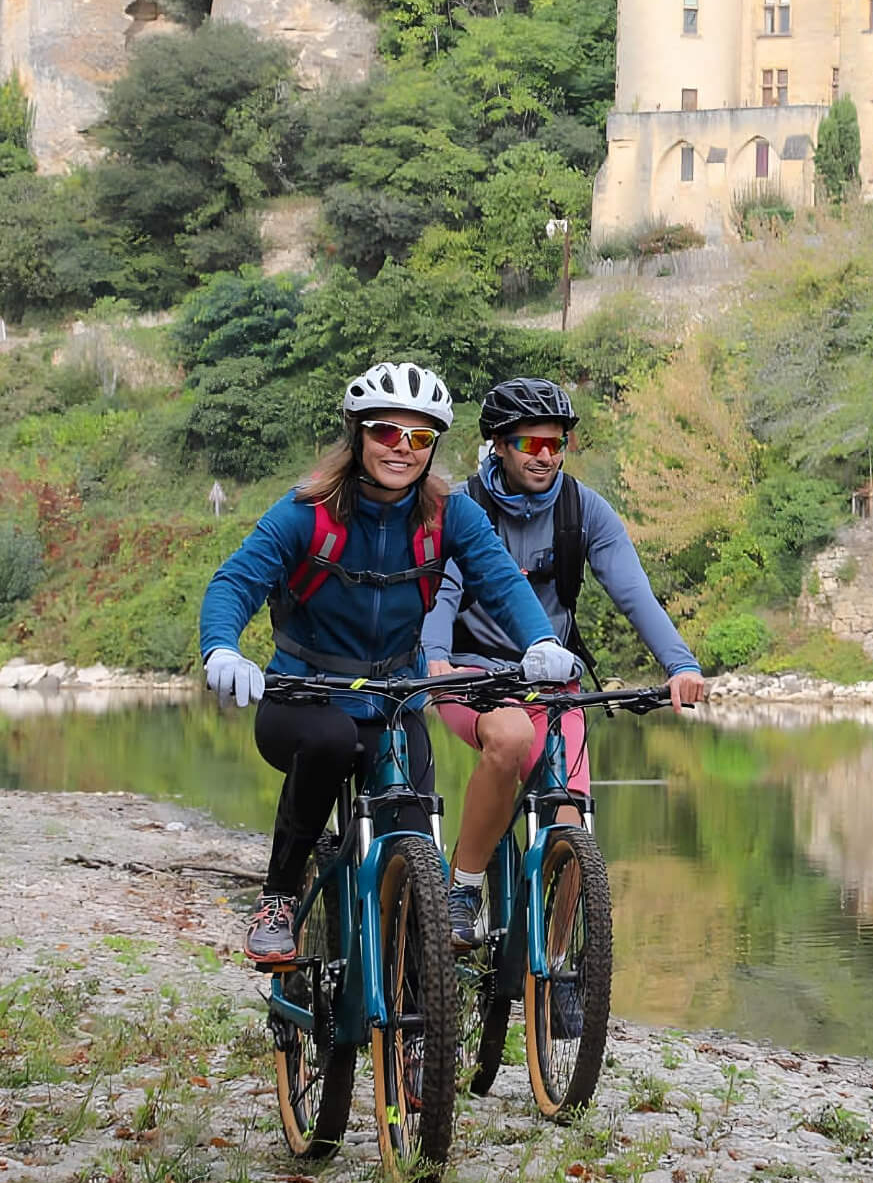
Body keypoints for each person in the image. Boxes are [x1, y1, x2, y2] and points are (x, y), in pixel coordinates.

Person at [201, 363, 576, 966]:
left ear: (433, 448)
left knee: (415, 844)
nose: (402, 448)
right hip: (301, 699)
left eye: (420, 438)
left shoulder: (448, 516)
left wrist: (538, 641)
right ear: (357, 434)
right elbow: (235, 583)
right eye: (385, 432)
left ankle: (410, 1006)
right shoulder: (307, 513)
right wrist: (221, 647)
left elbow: (502, 581)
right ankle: (277, 899)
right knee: (330, 742)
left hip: (393, 703)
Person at [422, 378, 711, 968]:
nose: (547, 456)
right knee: (505, 745)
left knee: (574, 824)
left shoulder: (583, 510)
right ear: (499, 445)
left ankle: (554, 970)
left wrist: (680, 664)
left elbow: (636, 595)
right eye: (532, 444)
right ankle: (464, 890)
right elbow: (442, 596)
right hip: (469, 676)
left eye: (558, 444)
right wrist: (434, 661)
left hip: (553, 684)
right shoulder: (462, 510)